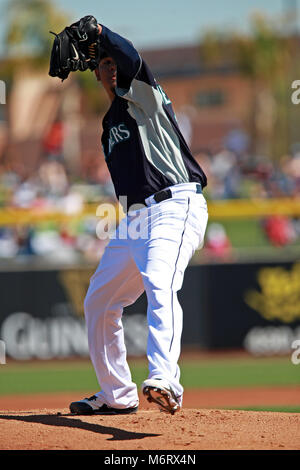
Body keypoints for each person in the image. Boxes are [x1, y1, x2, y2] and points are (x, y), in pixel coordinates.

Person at [69, 21, 208, 416]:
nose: (112, 68)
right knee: (99, 301)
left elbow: (131, 55)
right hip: (135, 218)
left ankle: (166, 379)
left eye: (115, 63)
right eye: (104, 64)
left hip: (173, 205)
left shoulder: (144, 93)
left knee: (159, 281)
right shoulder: (108, 124)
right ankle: (117, 394)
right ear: (95, 73)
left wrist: (99, 33)